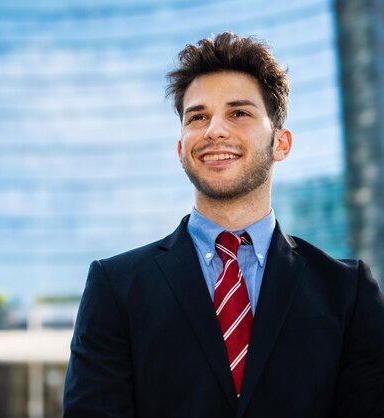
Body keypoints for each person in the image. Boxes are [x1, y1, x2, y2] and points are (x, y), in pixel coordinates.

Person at [63, 32, 384, 418]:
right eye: (197, 117)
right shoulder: (114, 287)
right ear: (181, 148)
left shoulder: (347, 291)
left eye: (239, 113)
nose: (214, 129)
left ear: (281, 143)